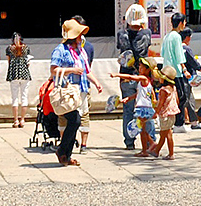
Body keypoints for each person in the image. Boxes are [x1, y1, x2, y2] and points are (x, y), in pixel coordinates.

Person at [50, 19, 100, 165]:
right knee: (75, 120)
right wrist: (71, 70)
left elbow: (86, 70)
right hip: (67, 91)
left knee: (76, 121)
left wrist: (96, 82)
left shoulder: (80, 50)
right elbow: (53, 70)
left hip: (79, 90)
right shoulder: (60, 50)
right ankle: (62, 150)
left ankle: (66, 154)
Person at [115, 3, 152, 149]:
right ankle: (149, 139)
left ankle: (129, 141)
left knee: (128, 110)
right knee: (146, 108)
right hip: (142, 76)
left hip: (125, 75)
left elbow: (121, 48)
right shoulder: (146, 33)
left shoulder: (121, 35)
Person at [111, 58, 157, 157]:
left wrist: (117, 75)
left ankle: (151, 145)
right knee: (141, 130)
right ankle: (145, 149)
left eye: (142, 67)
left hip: (143, 109)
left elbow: (130, 77)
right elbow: (139, 93)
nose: (139, 68)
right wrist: (128, 98)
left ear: (148, 69)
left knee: (141, 129)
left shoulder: (144, 79)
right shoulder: (145, 81)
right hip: (143, 108)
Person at [70, 14, 99, 152]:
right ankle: (68, 143)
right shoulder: (64, 47)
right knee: (69, 115)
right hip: (69, 87)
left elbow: (88, 68)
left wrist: (96, 83)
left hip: (83, 86)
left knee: (84, 114)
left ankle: (84, 144)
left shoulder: (88, 47)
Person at [161, 14, 193, 131]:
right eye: (184, 22)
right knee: (182, 96)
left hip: (166, 70)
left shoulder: (167, 36)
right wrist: (184, 69)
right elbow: (180, 56)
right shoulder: (177, 37)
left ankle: (169, 121)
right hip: (176, 72)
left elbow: (162, 52)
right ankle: (179, 123)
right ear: (180, 23)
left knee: (169, 96)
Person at [150, 65, 180, 159]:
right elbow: (177, 100)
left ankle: (170, 154)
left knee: (167, 134)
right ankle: (157, 150)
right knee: (165, 134)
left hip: (165, 114)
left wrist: (156, 113)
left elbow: (161, 103)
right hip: (172, 113)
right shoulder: (173, 88)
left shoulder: (163, 90)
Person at [6, 32, 31, 128]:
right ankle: (22, 119)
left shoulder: (9, 49)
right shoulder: (26, 48)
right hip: (24, 73)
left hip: (14, 74)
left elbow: (9, 61)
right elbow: (28, 61)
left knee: (15, 98)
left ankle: (15, 120)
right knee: (24, 96)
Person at [180, 27, 201, 128]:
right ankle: (193, 121)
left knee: (186, 98)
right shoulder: (187, 49)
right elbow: (194, 63)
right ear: (187, 37)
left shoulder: (178, 48)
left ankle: (187, 119)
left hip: (180, 76)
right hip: (188, 76)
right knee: (189, 98)